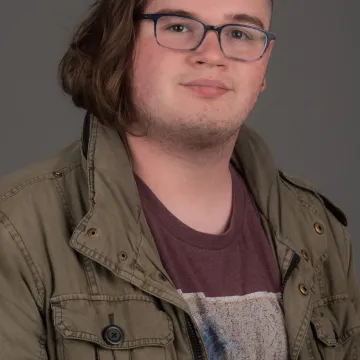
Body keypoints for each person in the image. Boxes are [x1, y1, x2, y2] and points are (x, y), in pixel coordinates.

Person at [0, 0, 359, 358]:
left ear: (264, 64)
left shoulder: (318, 229)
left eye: (239, 33)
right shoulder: (16, 231)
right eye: (179, 27)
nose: (212, 54)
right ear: (121, 45)